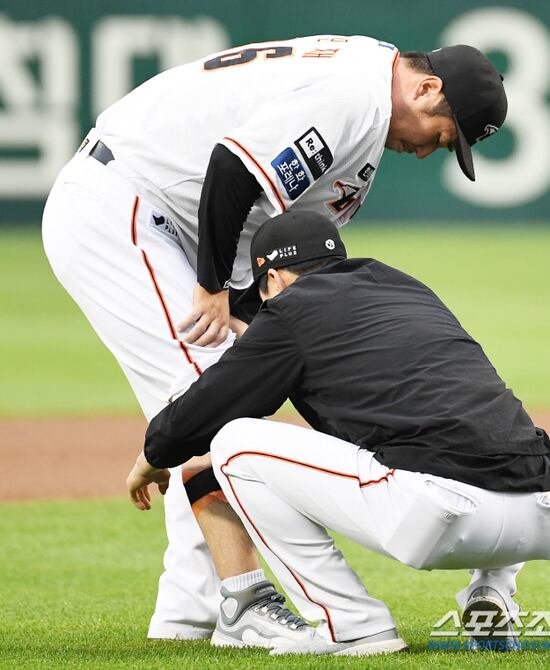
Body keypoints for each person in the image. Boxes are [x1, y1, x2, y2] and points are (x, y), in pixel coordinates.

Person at [43, 35, 507, 642]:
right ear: (426, 88)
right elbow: (231, 168)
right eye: (441, 135)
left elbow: (271, 236)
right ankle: (240, 601)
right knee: (209, 399)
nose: (426, 152)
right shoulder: (356, 96)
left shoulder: (364, 104)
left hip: (161, 216)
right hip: (123, 201)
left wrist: (255, 318)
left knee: (217, 394)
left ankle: (190, 613)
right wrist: (212, 287)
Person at [128, 211, 550, 656]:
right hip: (544, 507)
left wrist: (150, 459)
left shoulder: (289, 310)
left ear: (274, 279)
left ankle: (354, 625)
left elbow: (201, 413)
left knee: (232, 444)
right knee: (475, 428)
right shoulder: (403, 287)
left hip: (442, 514)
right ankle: (492, 591)